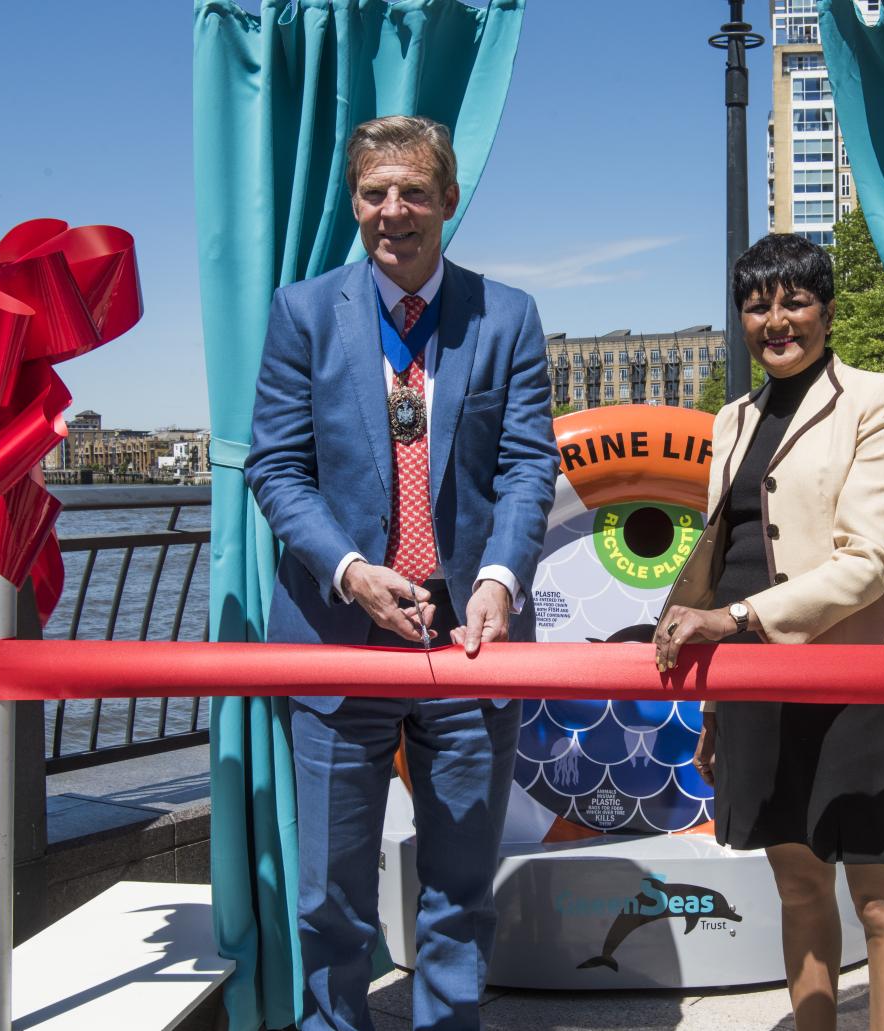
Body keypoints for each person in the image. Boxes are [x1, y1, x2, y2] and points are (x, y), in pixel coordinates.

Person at [245, 115, 558, 1031]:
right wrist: (349, 570)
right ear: (354, 205)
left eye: (414, 191)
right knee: (331, 898)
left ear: (449, 201)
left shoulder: (508, 315)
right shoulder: (303, 314)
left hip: (470, 645)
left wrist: (502, 576)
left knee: (460, 890)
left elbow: (528, 466)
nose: (394, 210)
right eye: (375, 193)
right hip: (339, 642)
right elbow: (277, 466)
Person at [655, 234, 884, 1031]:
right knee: (799, 889)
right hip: (752, 687)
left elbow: (869, 561)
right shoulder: (729, 419)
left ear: (828, 310)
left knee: (881, 898)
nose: (776, 320)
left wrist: (733, 620)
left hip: (849, 677)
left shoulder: (881, 398)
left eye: (794, 300)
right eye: (756, 303)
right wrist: (711, 705)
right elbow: (726, 554)